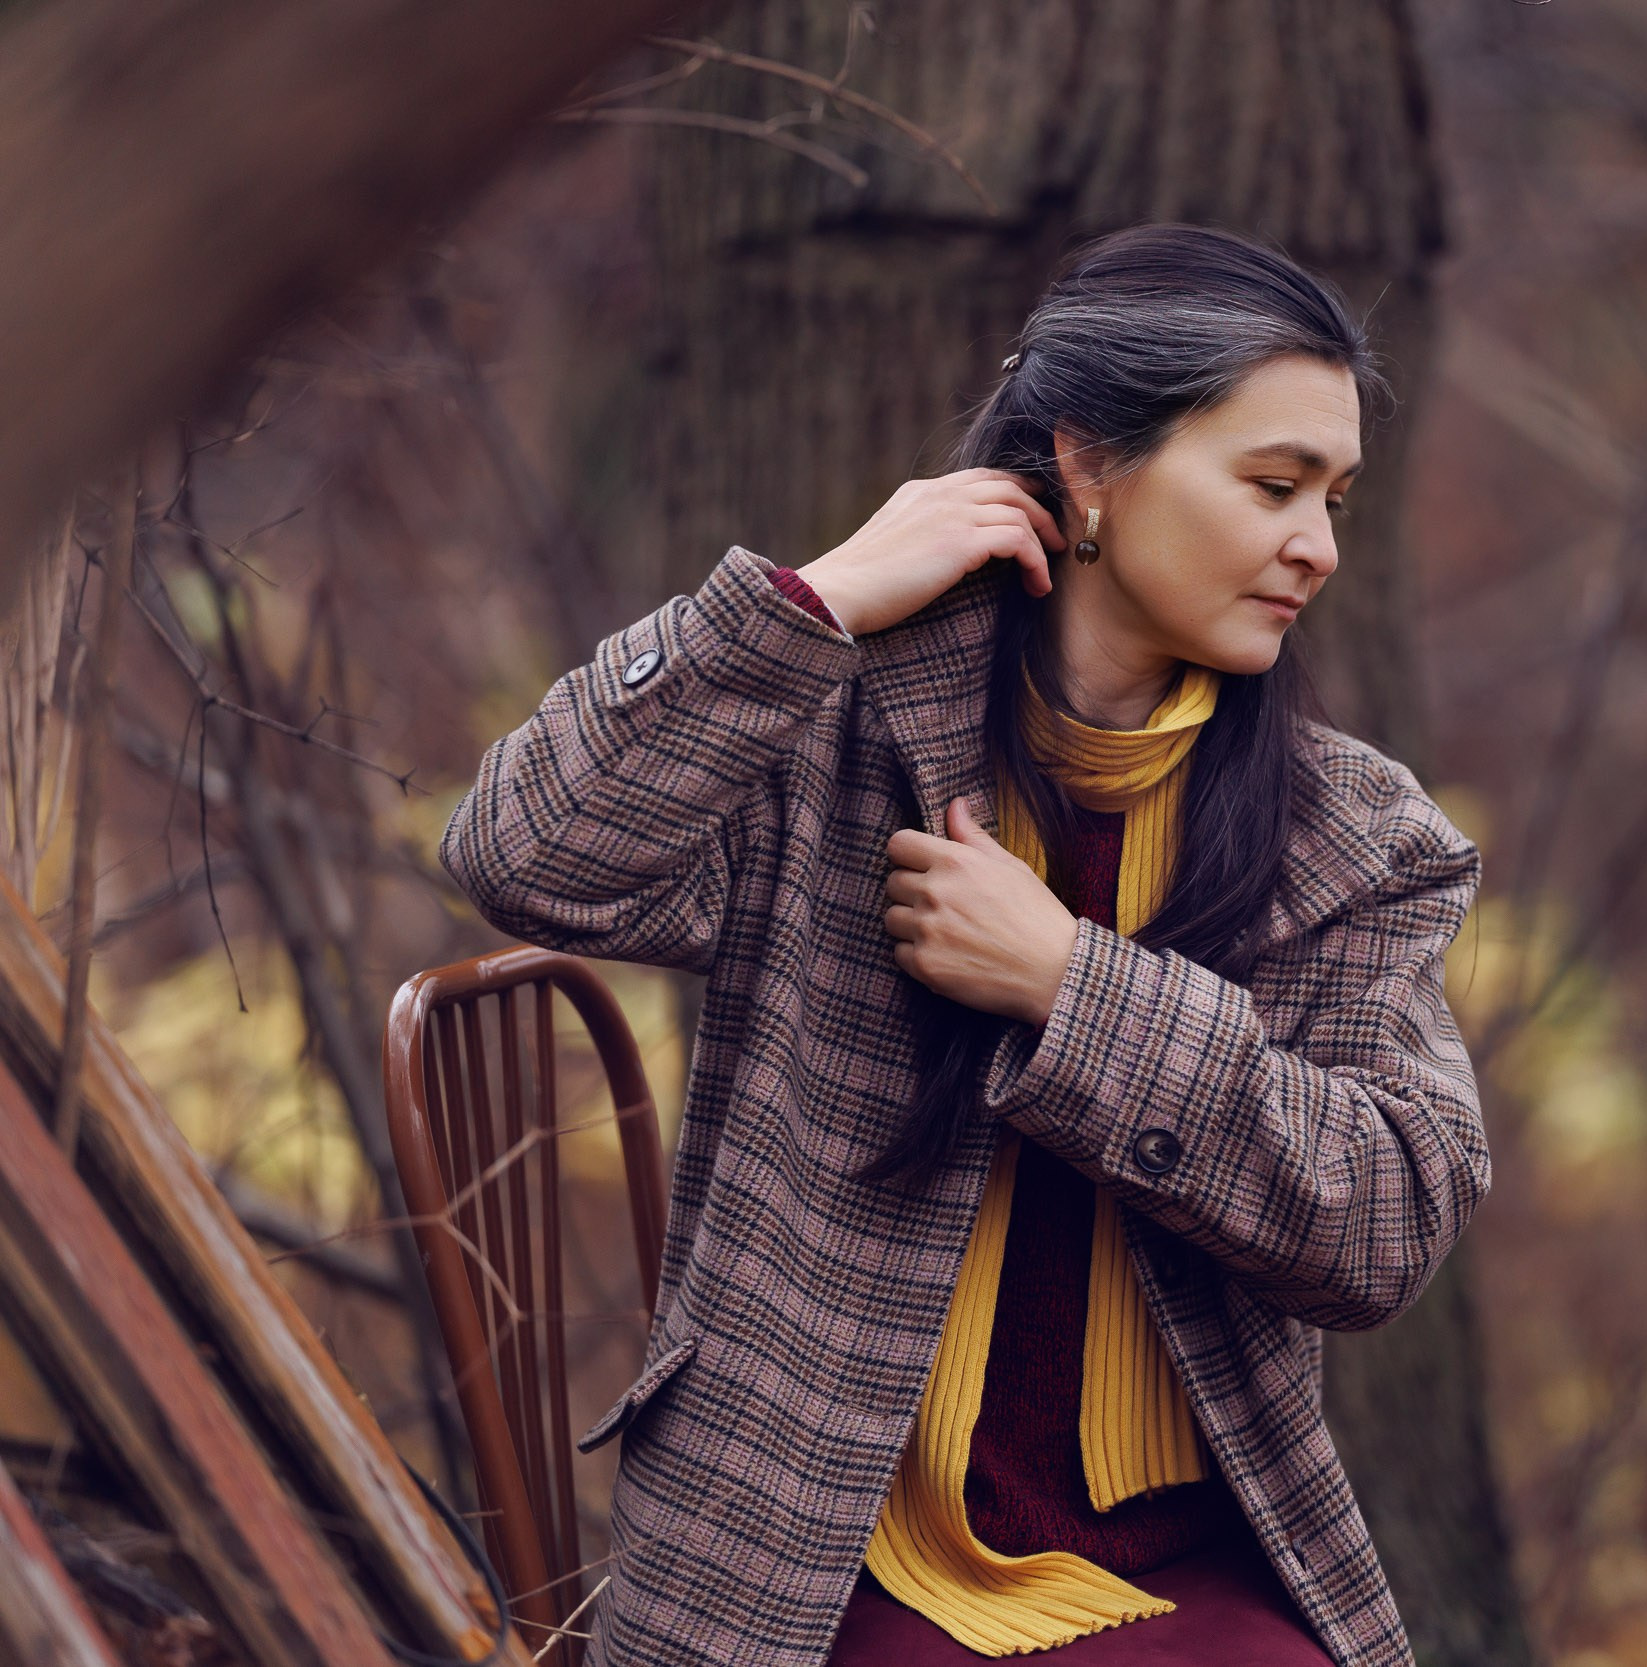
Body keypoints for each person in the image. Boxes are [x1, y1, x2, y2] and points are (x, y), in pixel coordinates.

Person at [439, 222, 1488, 1667]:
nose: (1316, 546)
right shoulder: (831, 732)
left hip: (1185, 1561)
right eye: (1272, 485)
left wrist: (1073, 987)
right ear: (1088, 467)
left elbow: (1385, 1224)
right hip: (814, 1551)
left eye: (1335, 497)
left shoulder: (1358, 835)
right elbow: (521, 851)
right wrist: (814, 601)